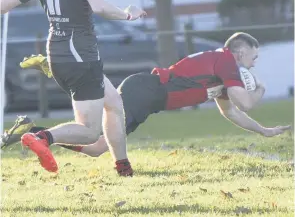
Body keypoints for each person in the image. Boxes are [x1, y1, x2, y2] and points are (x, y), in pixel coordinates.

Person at [0, 0, 147, 176]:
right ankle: (41, 136)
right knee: (89, 133)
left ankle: (123, 165)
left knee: (113, 102)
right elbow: (99, 6)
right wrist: (128, 14)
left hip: (58, 55)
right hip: (82, 57)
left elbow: (4, 4)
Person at [1, 32, 291, 157]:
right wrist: (260, 88)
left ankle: (31, 131)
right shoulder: (228, 61)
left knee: (95, 148)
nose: (255, 62)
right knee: (95, 141)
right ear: (240, 52)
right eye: (254, 56)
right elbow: (245, 102)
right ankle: (55, 69)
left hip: (148, 96)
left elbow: (231, 111)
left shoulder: (224, 69)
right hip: (146, 91)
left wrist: (263, 131)